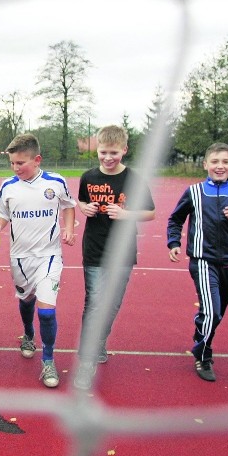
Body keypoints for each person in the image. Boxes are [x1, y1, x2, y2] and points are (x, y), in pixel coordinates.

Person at [0, 134, 76, 388]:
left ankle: (48, 360)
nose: (15, 168)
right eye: (12, 163)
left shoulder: (56, 183)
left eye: (20, 163)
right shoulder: (8, 186)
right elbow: (3, 215)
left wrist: (68, 228)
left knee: (46, 311)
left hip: (49, 255)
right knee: (26, 300)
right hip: (20, 258)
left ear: (37, 160)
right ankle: (28, 334)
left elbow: (68, 206)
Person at [73, 125, 155, 390]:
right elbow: (82, 202)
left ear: (124, 150)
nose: (108, 158)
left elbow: (150, 212)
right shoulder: (88, 177)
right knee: (95, 304)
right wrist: (83, 207)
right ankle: (86, 363)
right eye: (103, 152)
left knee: (112, 305)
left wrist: (125, 214)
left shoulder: (134, 179)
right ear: (97, 150)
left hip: (121, 252)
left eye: (114, 152)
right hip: (94, 250)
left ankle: (99, 341)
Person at [167, 142, 228, 382]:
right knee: (212, 312)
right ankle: (203, 354)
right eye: (215, 162)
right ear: (205, 164)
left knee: (217, 314)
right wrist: (173, 243)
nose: (220, 166)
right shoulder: (194, 191)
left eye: (225, 162)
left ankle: (202, 336)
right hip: (203, 261)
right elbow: (175, 219)